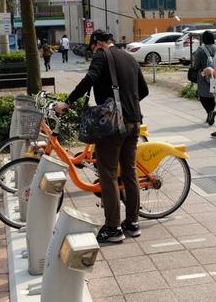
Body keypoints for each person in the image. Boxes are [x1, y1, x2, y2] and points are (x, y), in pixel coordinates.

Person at [55, 29, 149, 243]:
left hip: (113, 126)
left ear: (97, 43)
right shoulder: (129, 57)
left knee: (107, 174)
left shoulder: (101, 55)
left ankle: (113, 228)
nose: (93, 51)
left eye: (92, 47)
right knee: (129, 173)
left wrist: (67, 102)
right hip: (134, 121)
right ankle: (132, 224)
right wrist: (126, 104)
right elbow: (143, 91)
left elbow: (89, 79)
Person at [192, 31, 216, 125]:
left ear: (203, 39)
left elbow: (196, 65)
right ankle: (211, 112)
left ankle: (210, 112)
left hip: (203, 75)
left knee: (203, 96)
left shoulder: (200, 50)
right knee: (213, 94)